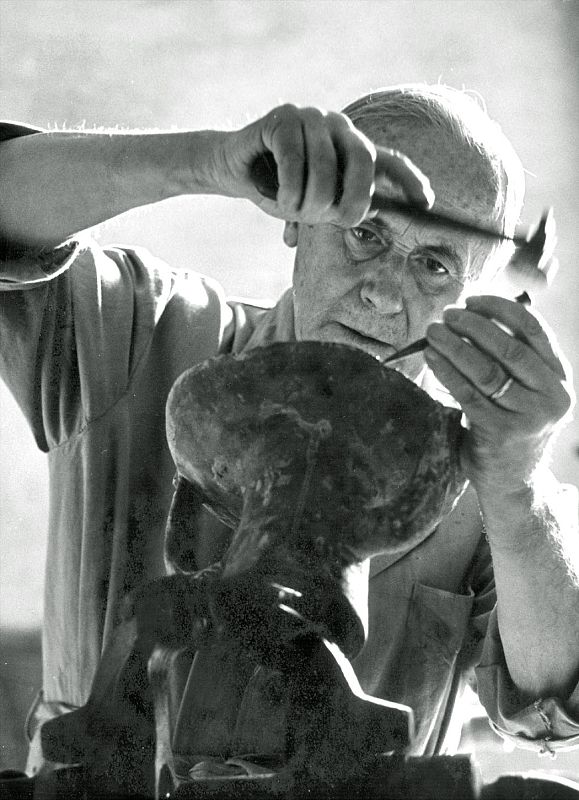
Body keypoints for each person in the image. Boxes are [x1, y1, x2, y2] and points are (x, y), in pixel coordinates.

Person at [0, 84, 578, 777]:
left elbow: (552, 711)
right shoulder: (146, 336)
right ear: (296, 221)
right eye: (365, 233)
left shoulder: (490, 471)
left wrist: (515, 491)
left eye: (433, 265)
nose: (384, 291)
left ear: (472, 293)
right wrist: (206, 161)